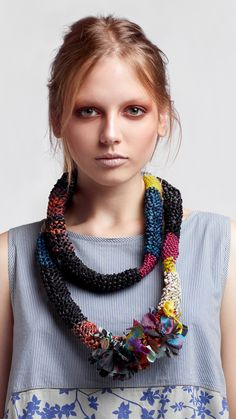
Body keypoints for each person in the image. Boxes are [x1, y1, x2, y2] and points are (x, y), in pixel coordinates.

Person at [0, 14, 235, 419]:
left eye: (134, 110)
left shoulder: (220, 248)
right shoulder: (11, 259)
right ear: (57, 119)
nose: (110, 133)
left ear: (162, 116)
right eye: (88, 110)